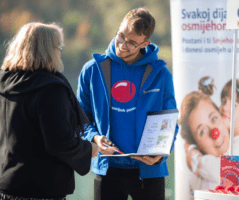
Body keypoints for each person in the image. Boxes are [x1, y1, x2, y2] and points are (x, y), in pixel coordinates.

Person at [77, 7, 178, 200]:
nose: (122, 45)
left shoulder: (161, 74)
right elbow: (79, 118)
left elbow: (170, 122)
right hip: (107, 169)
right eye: (121, 36)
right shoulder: (92, 70)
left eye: (131, 43)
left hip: (149, 172)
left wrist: (161, 155)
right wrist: (95, 138)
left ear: (145, 43)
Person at [0, 22, 101, 199]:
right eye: (57, 47)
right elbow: (60, 142)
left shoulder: (4, 82)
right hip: (41, 189)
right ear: (46, 50)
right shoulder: (50, 89)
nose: (60, 53)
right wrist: (89, 149)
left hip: (7, 185)